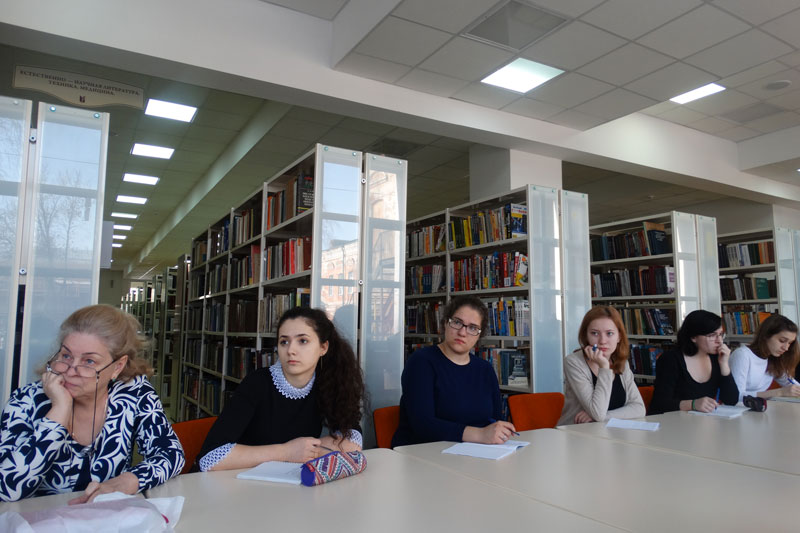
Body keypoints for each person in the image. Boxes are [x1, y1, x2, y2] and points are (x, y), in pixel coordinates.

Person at [0, 305, 184, 503]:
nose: (71, 370)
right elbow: (5, 489)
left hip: (106, 514)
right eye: (66, 356)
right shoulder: (26, 400)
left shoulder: (133, 392)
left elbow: (171, 454)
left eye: (89, 361)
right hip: (37, 516)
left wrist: (129, 481)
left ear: (117, 367)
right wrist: (59, 412)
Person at [197, 307, 365, 471]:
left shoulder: (327, 381)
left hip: (292, 481)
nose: (291, 350)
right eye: (284, 342)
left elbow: (352, 436)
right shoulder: (257, 383)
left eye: (303, 341)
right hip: (239, 481)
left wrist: (310, 449)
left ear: (323, 348)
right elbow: (210, 457)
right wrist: (286, 452)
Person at [391, 296, 516, 447]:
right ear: (445, 323)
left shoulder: (485, 369)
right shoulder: (421, 362)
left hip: (475, 452)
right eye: (457, 322)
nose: (462, 332)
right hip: (423, 451)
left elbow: (495, 420)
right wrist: (480, 434)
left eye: (472, 328)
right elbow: (423, 425)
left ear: (479, 335)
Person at [558, 306, 645, 425]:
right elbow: (598, 413)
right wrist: (604, 366)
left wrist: (605, 416)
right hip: (576, 432)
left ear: (619, 337)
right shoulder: (574, 362)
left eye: (609, 333)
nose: (602, 341)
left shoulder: (622, 363)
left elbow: (639, 408)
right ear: (586, 336)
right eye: (595, 333)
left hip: (610, 432)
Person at [650, 309, 738, 415]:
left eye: (720, 334)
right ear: (693, 337)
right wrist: (693, 404)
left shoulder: (716, 358)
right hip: (673, 421)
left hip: (703, 421)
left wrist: (724, 365)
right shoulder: (671, 359)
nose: (719, 341)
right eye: (712, 335)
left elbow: (731, 400)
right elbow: (659, 404)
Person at [730, 313, 800, 401]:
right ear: (766, 335)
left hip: (758, 406)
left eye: (790, 343)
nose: (786, 348)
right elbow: (736, 396)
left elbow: (790, 383)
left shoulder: (773, 357)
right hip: (738, 408)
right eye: (782, 341)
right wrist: (779, 392)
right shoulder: (742, 355)